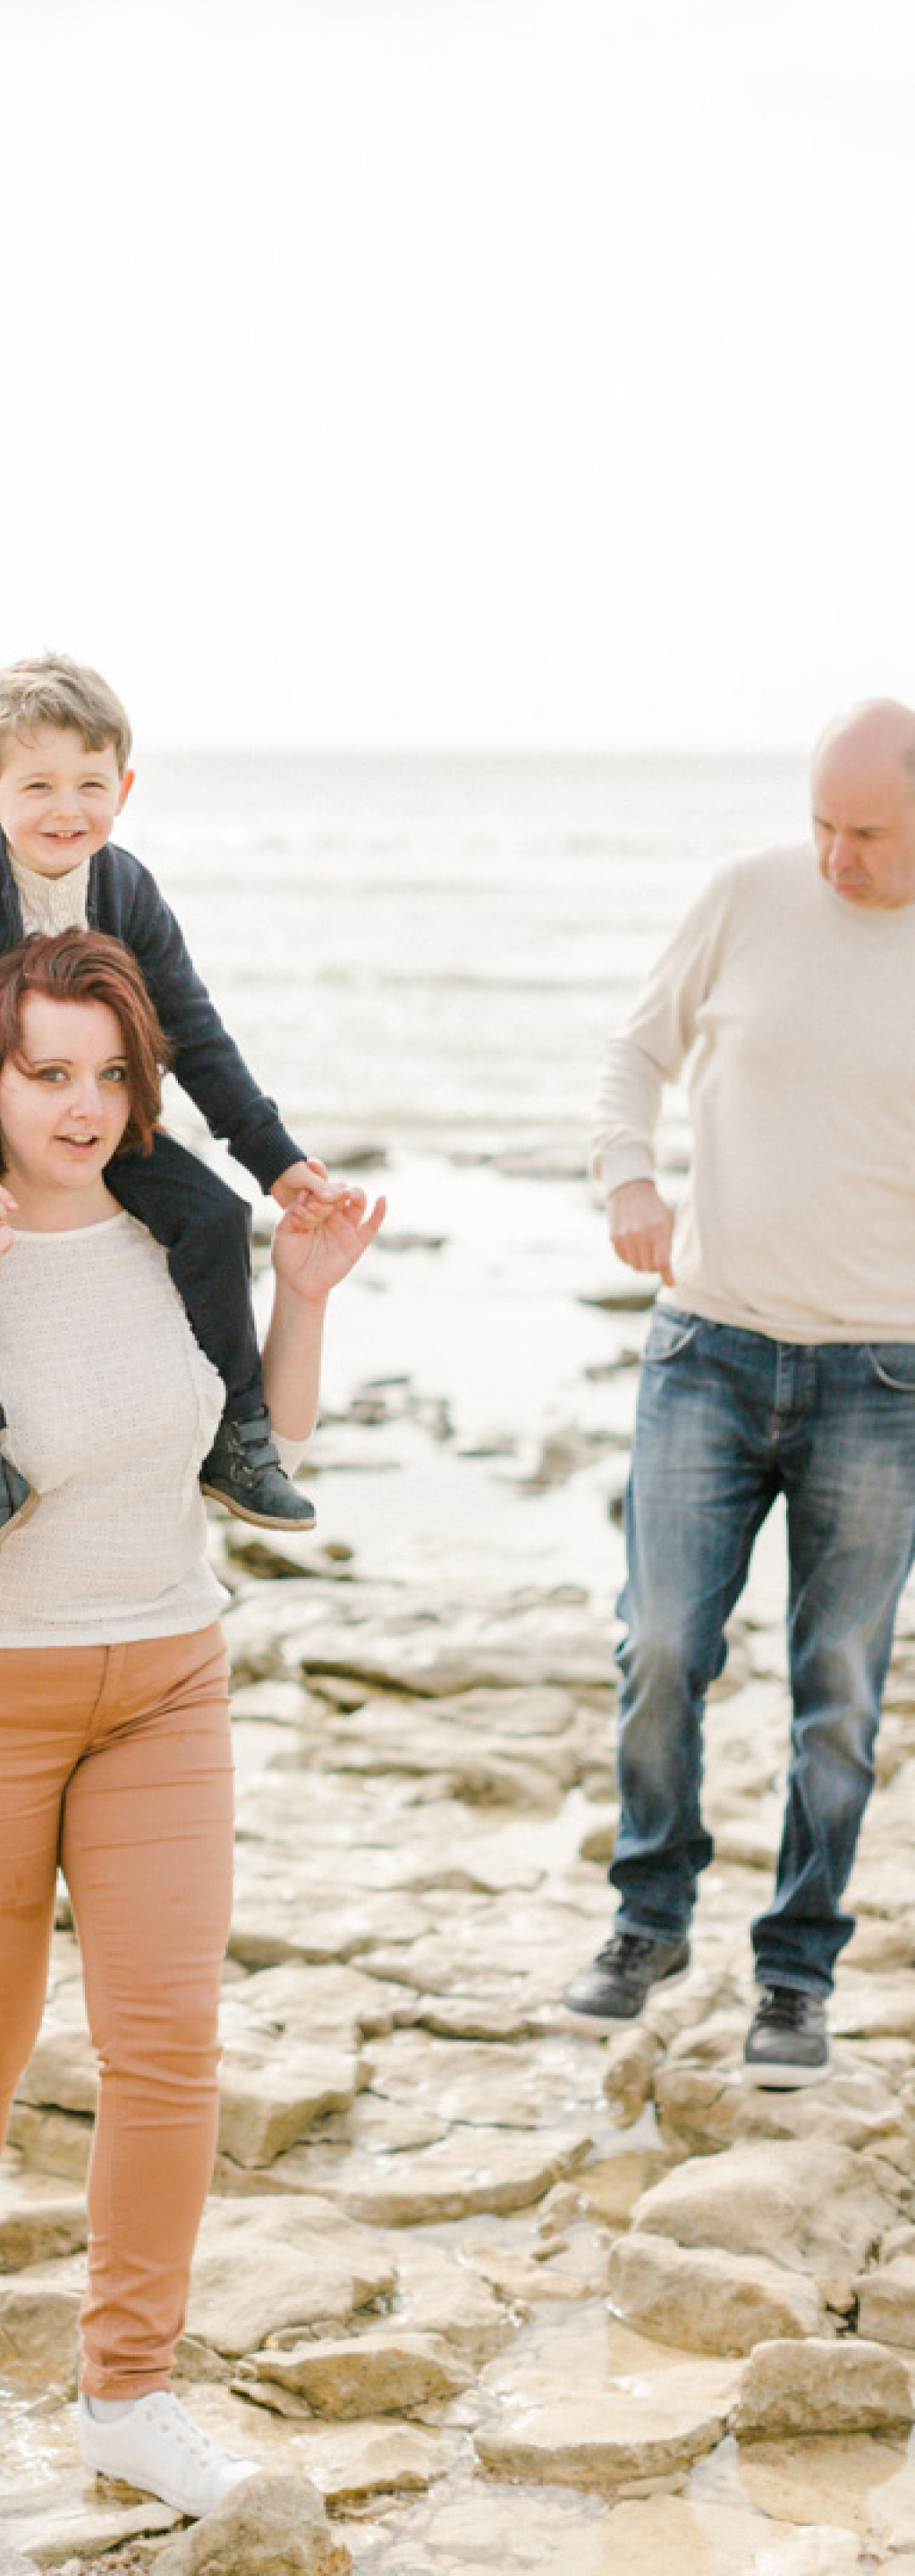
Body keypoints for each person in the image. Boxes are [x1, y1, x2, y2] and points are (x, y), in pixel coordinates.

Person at [0, 930, 385, 2518]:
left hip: (163, 1682)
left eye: (112, 1074)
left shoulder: (175, 1234)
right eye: (48, 1073)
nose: (83, 1105)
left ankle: (130, 2394)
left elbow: (254, 1439)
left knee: (170, 2045)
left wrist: (302, 1301)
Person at [562, 699, 915, 2089]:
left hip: (883, 1377)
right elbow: (631, 1054)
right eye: (820, 824)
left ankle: (796, 1976)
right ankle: (648, 1919)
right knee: (660, 1647)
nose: (833, 858)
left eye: (867, 834)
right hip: (706, 1350)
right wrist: (628, 1180)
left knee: (839, 1693)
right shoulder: (746, 899)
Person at [0, 651, 344, 1597]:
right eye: (37, 785)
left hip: (88, 1116)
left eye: (90, 784)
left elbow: (194, 1035)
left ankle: (238, 1435)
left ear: (124, 790)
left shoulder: (128, 891)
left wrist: (274, 1161)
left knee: (212, 1216)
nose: (67, 808)